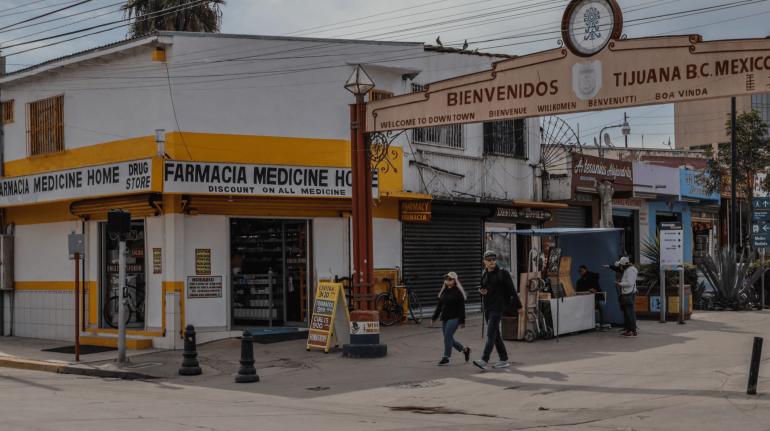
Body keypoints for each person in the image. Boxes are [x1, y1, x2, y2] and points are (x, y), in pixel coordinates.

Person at [473, 250, 525, 370]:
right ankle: (504, 359)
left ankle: (484, 360)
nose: (492, 261)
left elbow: (512, 290)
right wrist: (481, 292)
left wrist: (519, 306)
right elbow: (482, 287)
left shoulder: (503, 273)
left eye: (494, 259)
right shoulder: (484, 273)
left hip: (498, 308)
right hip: (487, 307)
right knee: (496, 334)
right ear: (484, 261)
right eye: (489, 259)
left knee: (491, 333)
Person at [431, 272, 471, 366]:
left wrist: (462, 321)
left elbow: (461, 308)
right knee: (448, 338)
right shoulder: (444, 291)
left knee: (448, 337)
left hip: (455, 317)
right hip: (445, 317)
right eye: (446, 279)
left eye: (450, 279)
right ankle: (465, 350)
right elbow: (439, 306)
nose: (447, 281)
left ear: (455, 281)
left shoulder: (458, 292)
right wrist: (434, 317)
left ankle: (446, 358)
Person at [576, 265, 608, 331]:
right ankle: (584, 325)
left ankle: (603, 324)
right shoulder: (579, 282)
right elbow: (579, 290)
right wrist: (588, 290)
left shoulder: (593, 277)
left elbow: (596, 275)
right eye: (580, 271)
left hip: (598, 298)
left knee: (602, 304)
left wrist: (586, 272)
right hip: (587, 301)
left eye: (582, 270)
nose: (581, 272)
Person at [615, 257, 639, 338]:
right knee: (627, 313)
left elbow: (629, 283)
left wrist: (619, 284)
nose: (620, 267)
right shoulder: (628, 270)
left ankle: (633, 331)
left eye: (621, 265)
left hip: (629, 293)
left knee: (630, 313)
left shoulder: (629, 271)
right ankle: (628, 330)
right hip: (627, 293)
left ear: (624, 265)